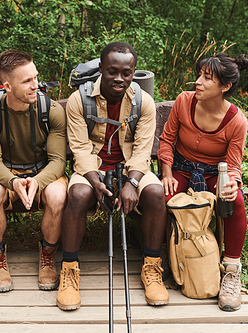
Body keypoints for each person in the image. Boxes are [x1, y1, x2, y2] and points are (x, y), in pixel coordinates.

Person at [57, 42, 169, 311]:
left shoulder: (144, 102)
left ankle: (152, 267)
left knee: (154, 193)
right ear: (101, 69)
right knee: (78, 194)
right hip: (92, 169)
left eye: (126, 72)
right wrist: (95, 181)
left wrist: (131, 182)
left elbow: (143, 150)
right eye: (112, 71)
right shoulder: (78, 100)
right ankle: (69, 271)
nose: (119, 78)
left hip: (131, 168)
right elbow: (80, 147)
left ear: (133, 72)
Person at [158, 53, 248, 311]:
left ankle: (231, 271)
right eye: (199, 75)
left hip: (213, 173)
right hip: (181, 167)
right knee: (159, 197)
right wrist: (166, 172)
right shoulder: (184, 102)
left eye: (207, 78)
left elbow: (233, 165)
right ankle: (162, 256)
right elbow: (166, 140)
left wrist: (232, 182)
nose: (198, 82)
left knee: (236, 202)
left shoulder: (236, 121)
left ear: (225, 86)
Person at [0, 49, 67, 293]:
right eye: (27, 81)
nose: (35, 85)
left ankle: (48, 256)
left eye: (35, 77)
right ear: (7, 86)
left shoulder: (52, 110)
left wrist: (36, 181)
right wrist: (14, 182)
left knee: (58, 196)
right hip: (5, 172)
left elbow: (58, 160)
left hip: (44, 171)